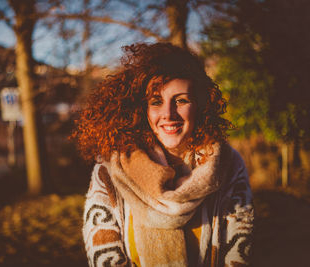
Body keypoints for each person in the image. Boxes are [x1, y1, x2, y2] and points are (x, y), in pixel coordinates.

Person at [72, 43, 254, 267]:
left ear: (199, 105)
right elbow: (104, 256)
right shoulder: (110, 170)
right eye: (156, 102)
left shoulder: (228, 166)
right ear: (142, 109)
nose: (169, 114)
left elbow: (238, 255)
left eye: (181, 100)